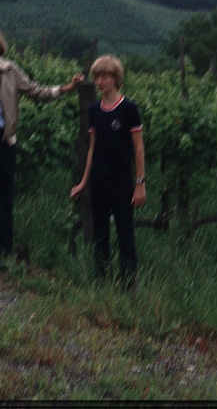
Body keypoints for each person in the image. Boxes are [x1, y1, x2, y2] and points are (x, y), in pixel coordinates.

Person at [0, 27, 84, 271]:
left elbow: (35, 91)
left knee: (6, 199)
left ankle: (4, 250)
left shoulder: (11, 71)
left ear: (0, 48)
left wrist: (65, 89)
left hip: (5, 141)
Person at [70, 55, 146, 291]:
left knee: (125, 233)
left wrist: (140, 183)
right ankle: (102, 282)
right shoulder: (94, 110)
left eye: (103, 77)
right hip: (99, 181)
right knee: (100, 233)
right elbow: (93, 148)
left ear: (115, 79)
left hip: (122, 181)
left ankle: (128, 287)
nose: (98, 81)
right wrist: (84, 182)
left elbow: (138, 147)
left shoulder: (129, 109)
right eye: (96, 77)